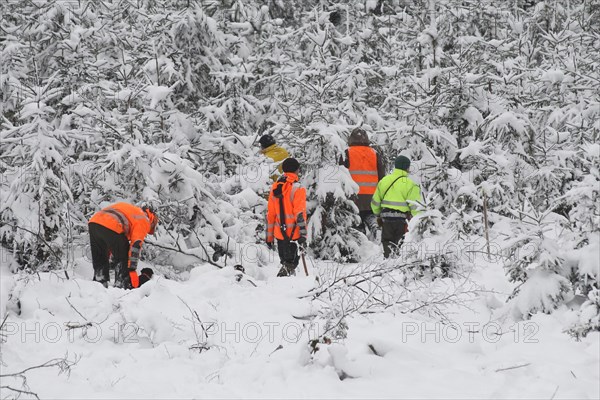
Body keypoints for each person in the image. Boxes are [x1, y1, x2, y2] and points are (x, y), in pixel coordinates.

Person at [88, 202, 158, 288]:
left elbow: (110, 239)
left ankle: (99, 283)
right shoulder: (143, 219)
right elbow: (136, 245)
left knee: (100, 256)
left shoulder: (131, 211)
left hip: (94, 222)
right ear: (153, 218)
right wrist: (131, 269)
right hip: (112, 225)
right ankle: (121, 284)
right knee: (124, 256)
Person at [371, 156, 421, 258]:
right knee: (400, 243)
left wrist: (377, 214)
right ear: (407, 168)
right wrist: (418, 221)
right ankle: (398, 264)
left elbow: (375, 202)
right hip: (401, 220)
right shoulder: (410, 184)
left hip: (386, 219)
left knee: (387, 241)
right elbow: (415, 207)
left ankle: (388, 261)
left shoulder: (384, 181)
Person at [266, 158, 308, 277]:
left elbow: (271, 215)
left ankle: (284, 287)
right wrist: (303, 235)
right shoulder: (298, 188)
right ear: (297, 170)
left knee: (286, 263)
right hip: (294, 236)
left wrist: (269, 238)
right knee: (290, 266)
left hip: (280, 236)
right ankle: (282, 287)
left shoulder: (275, 188)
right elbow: (299, 214)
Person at [340, 127, 385, 237]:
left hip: (354, 197)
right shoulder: (374, 153)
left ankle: (361, 238)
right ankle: (375, 228)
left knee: (356, 220)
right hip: (372, 196)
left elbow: (340, 174)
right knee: (370, 215)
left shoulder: (347, 153)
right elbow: (381, 176)